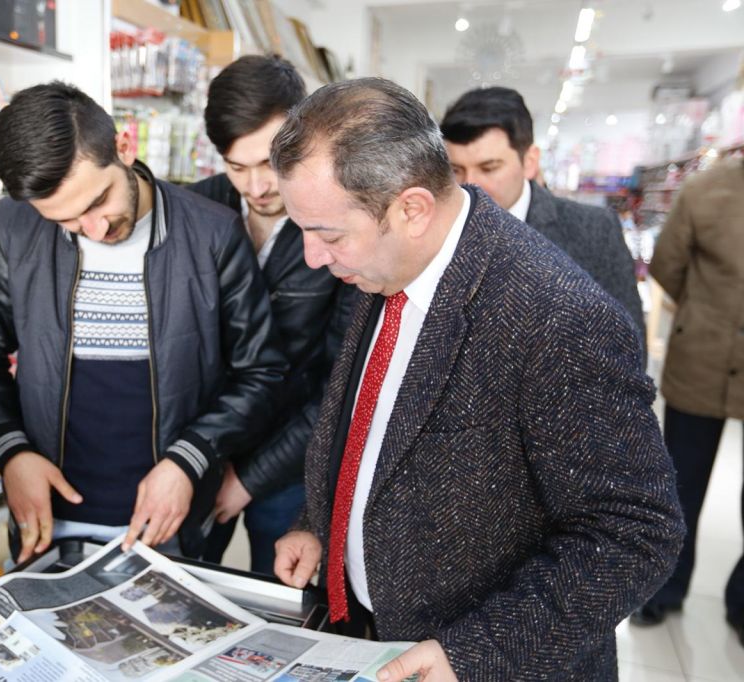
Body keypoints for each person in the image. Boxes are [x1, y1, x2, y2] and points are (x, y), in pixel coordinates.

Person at [269, 78, 684, 680]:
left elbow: (634, 534)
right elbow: (373, 422)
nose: (312, 256)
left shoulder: (557, 316)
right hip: (369, 633)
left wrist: (472, 653)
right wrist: (321, 524)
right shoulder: (387, 262)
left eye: (327, 234)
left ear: (412, 208)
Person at [0, 81, 288, 563]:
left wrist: (188, 459)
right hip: (47, 521)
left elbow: (261, 372)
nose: (95, 230)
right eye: (65, 221)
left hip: (172, 520)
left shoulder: (213, 233)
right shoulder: (14, 224)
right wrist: (11, 452)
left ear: (124, 147)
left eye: (96, 203)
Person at [187, 55, 354, 575]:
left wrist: (251, 478)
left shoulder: (337, 225)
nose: (257, 186)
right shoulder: (194, 210)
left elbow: (339, 383)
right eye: (238, 167)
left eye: (271, 163)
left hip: (292, 460)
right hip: (202, 448)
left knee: (284, 596)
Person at [633, 157, 744, 645]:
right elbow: (667, 265)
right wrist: (702, 314)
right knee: (682, 485)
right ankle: (665, 587)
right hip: (701, 358)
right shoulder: (704, 190)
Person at [440, 86, 646, 343]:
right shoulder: (437, 230)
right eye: (456, 170)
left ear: (530, 162)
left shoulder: (593, 230)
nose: (470, 185)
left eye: (489, 168)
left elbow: (628, 343)